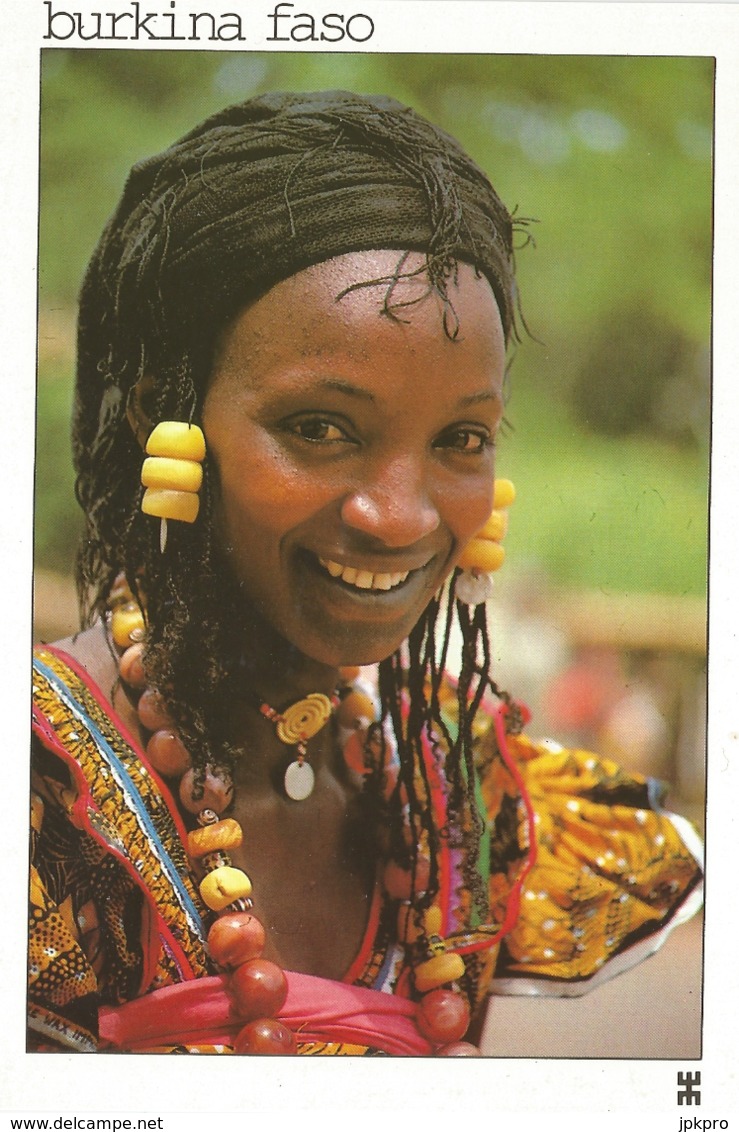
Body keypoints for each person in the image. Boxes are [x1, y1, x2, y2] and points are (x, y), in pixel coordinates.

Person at [29, 90, 702, 1056]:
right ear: (160, 420)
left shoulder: (458, 789)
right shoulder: (45, 793)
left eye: (460, 439)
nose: (399, 515)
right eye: (318, 429)